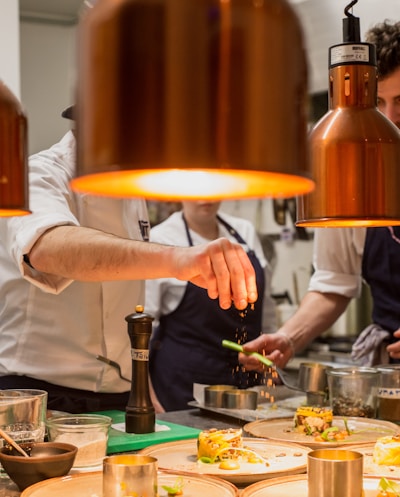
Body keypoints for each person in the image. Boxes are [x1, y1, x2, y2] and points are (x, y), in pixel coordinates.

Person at [0, 121, 258, 414]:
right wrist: (176, 259)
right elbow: (47, 248)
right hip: (37, 397)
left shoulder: (130, 193)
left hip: (118, 398)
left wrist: (146, 395)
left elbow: (126, 312)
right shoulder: (39, 174)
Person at [239, 20, 400, 372]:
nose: (390, 118)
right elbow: (333, 283)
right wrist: (289, 337)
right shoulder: (350, 177)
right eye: (377, 103)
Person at [145, 201, 277, 411]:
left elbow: (267, 307)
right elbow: (143, 330)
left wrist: (271, 355)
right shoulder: (162, 239)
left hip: (248, 385)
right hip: (184, 388)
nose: (203, 198)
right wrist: (148, 398)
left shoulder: (245, 232)